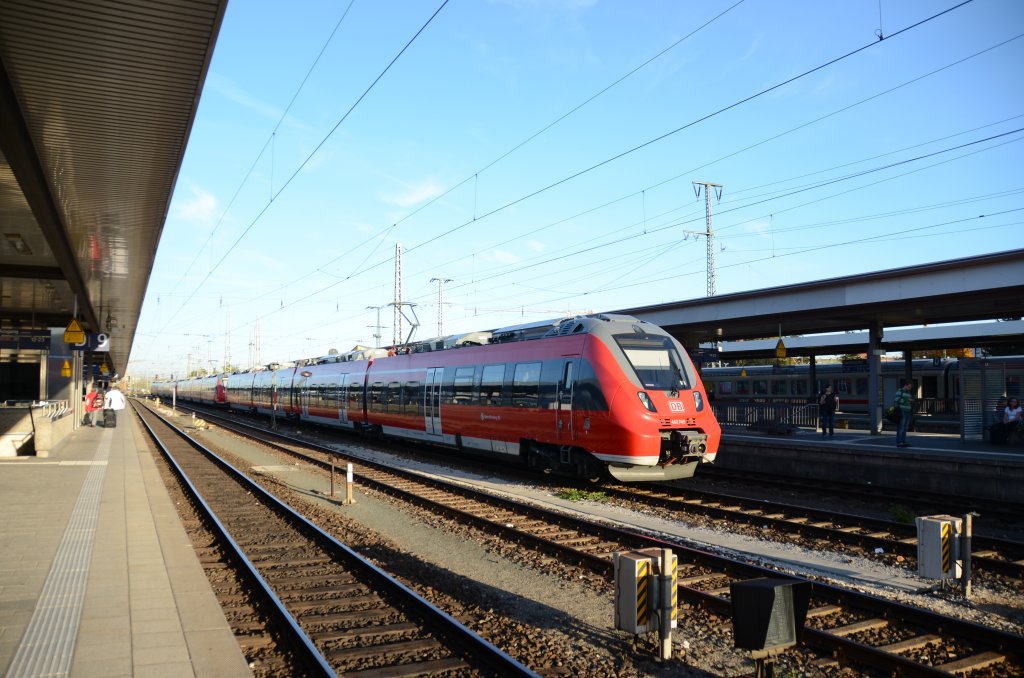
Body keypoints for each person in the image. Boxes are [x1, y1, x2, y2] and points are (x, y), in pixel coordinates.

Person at [894, 379, 913, 448]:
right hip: (902, 411)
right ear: (906, 385)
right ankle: (899, 442)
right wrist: (907, 400)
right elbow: (896, 400)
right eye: (909, 387)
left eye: (910, 387)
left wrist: (910, 401)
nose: (909, 388)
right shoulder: (899, 391)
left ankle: (903, 441)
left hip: (908, 411)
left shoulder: (908, 393)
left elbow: (907, 401)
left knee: (905, 428)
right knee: (901, 427)